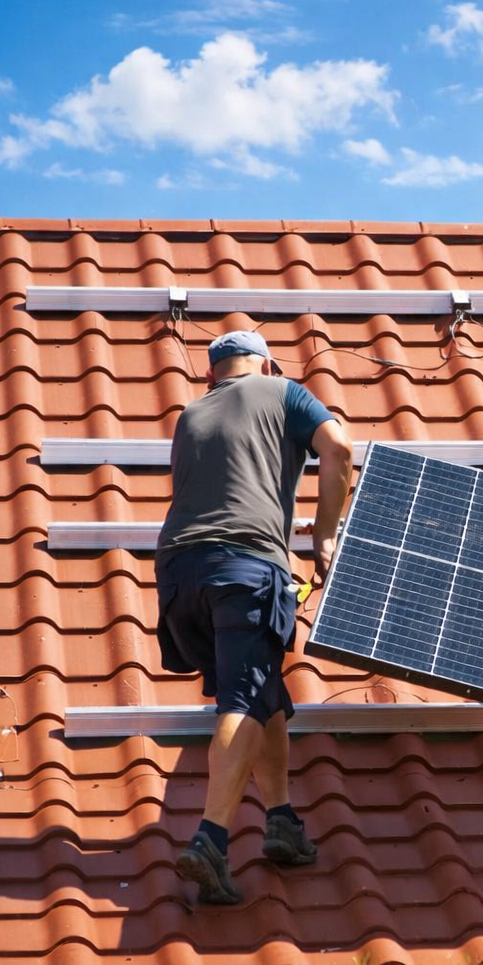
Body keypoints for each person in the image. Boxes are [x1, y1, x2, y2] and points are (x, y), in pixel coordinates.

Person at [156, 330, 353, 904]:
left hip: (178, 576)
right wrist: (325, 535)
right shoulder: (285, 391)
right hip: (244, 567)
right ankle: (212, 839)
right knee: (241, 701)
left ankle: (282, 821)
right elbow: (339, 450)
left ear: (212, 375)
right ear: (266, 364)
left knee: (262, 687)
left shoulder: (191, 413)